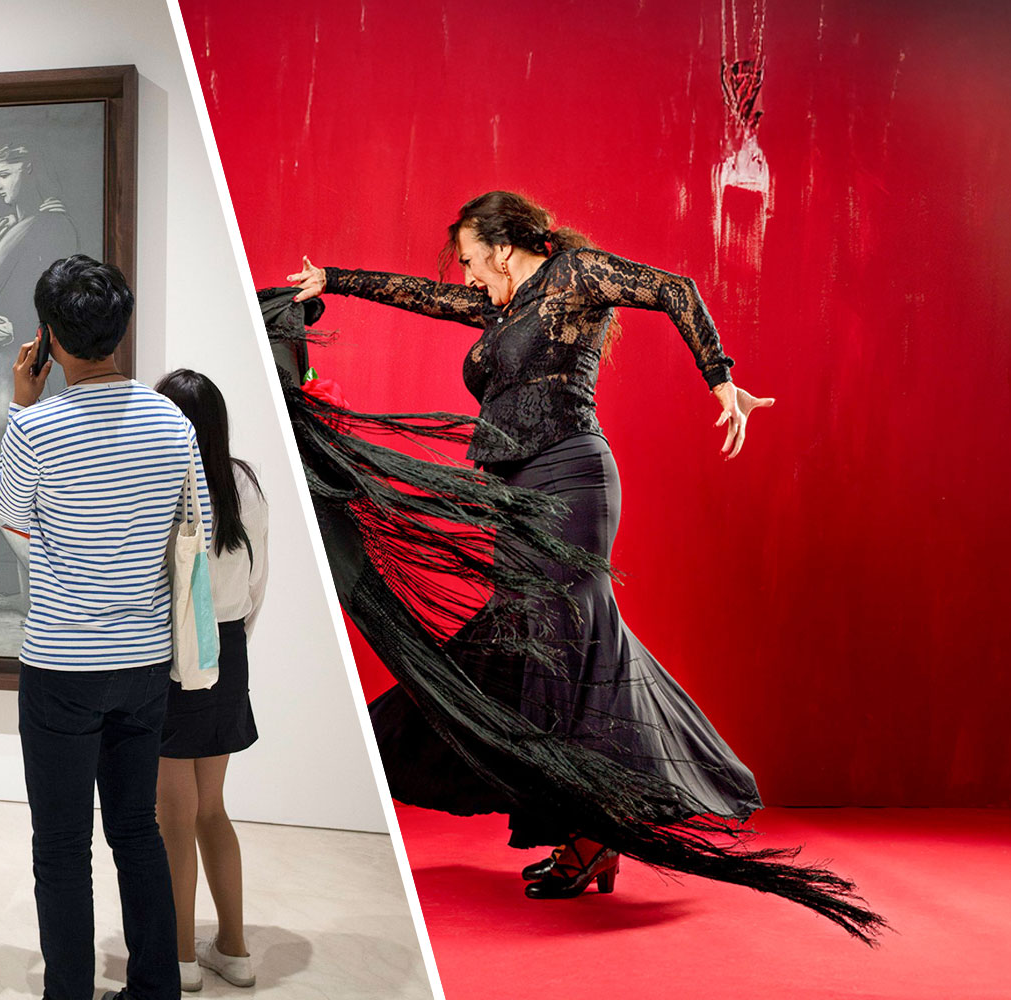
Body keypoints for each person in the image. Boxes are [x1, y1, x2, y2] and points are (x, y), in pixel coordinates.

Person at [289, 190, 777, 899]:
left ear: (500, 244)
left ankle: (593, 829)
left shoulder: (573, 275)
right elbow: (421, 296)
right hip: (512, 493)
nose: (464, 276)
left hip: (570, 477)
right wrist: (333, 280)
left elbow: (674, 290)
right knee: (542, 643)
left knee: (564, 641)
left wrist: (721, 380)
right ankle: (590, 829)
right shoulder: (503, 305)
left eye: (468, 260)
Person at [0, 254, 207, 1000]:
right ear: (122, 327)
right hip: (144, 661)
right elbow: (192, 532)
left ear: (49, 338)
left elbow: (10, 520)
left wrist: (22, 406)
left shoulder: (37, 428)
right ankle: (154, 990)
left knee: (60, 848)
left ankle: (69, 995)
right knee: (136, 831)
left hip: (59, 664)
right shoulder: (172, 420)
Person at [152, 370, 268, 993]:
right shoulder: (242, 481)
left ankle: (179, 961)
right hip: (226, 647)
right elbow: (257, 582)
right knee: (212, 809)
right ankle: (236, 950)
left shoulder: (159, 480)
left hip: (170, 654)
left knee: (173, 816)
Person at [0, 142, 81, 611]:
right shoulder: (58, 224)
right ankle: (33, 594)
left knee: (7, 491)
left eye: (5, 174)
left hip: (6, 369)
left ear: (30, 170)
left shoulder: (34, 225)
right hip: (36, 365)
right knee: (35, 492)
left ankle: (43, 593)